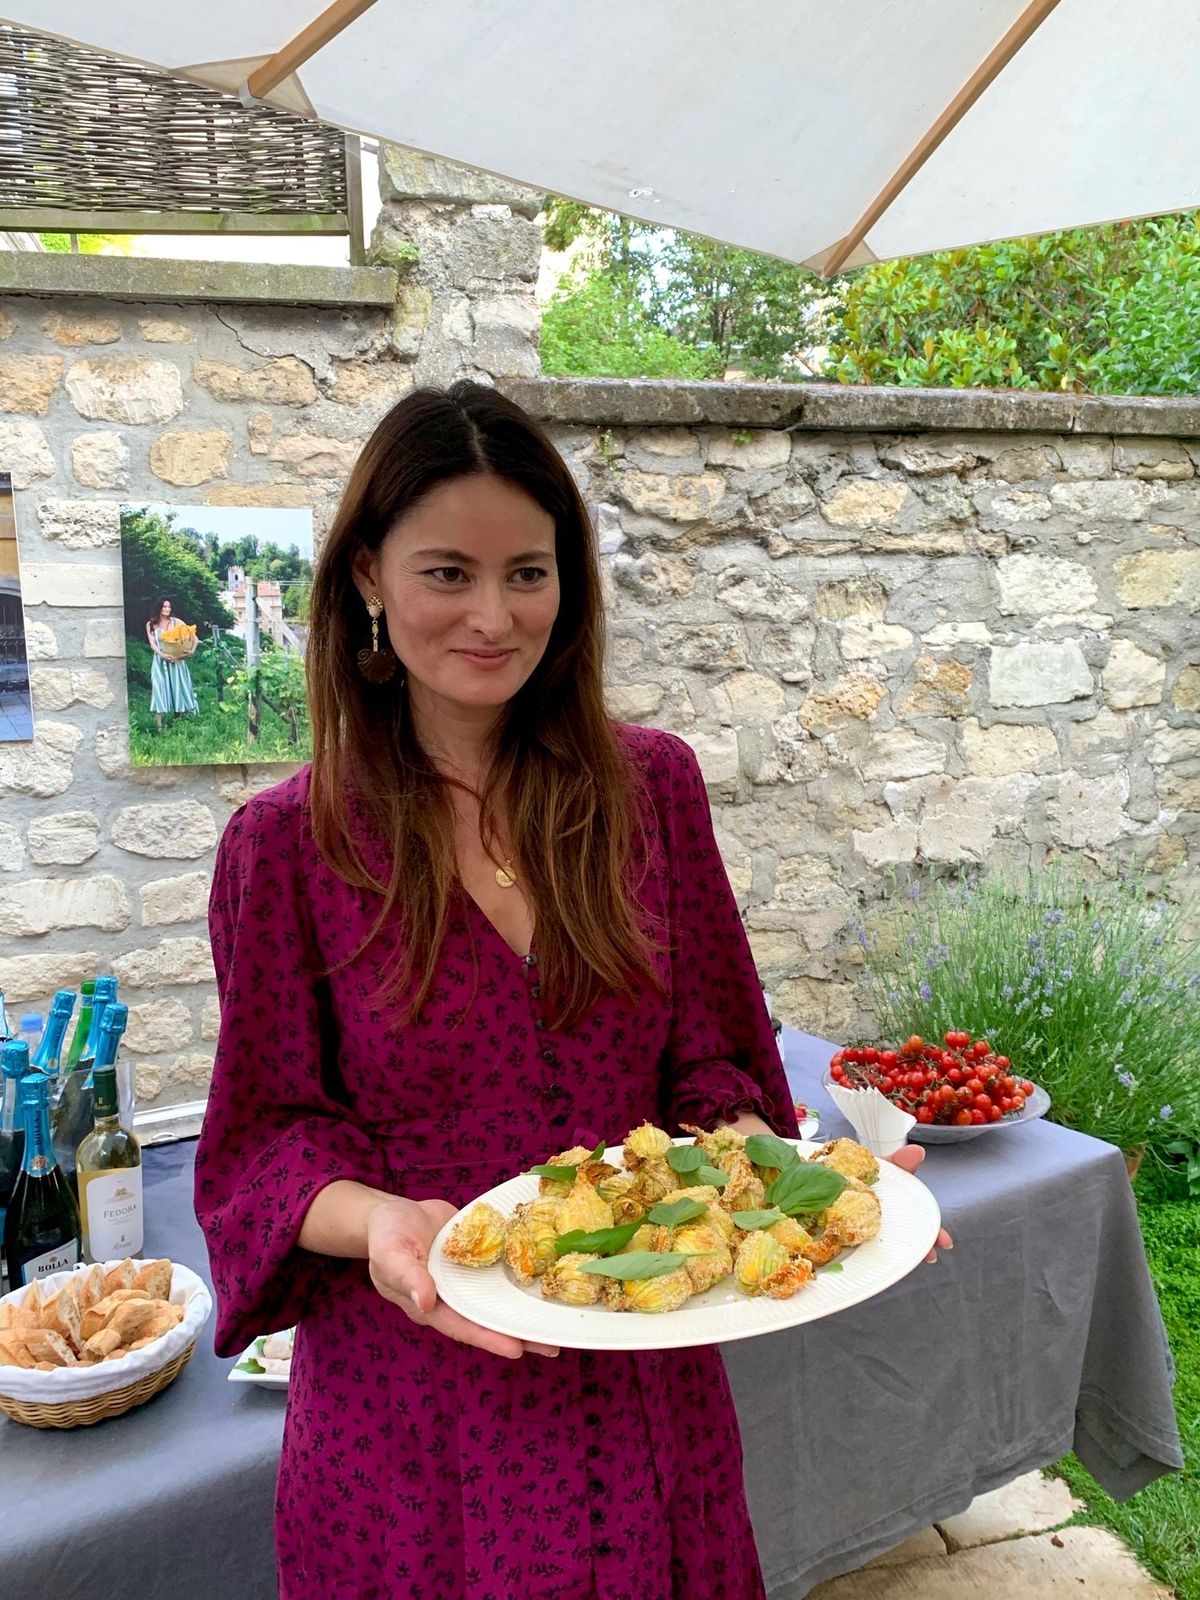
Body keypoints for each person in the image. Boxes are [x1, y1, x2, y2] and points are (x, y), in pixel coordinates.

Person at [195, 383, 947, 1600]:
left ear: (569, 582)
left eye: (528, 572)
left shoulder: (650, 790)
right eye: (448, 571)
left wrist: (791, 1182)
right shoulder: (286, 847)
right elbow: (265, 1144)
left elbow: (712, 1064)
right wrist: (383, 1220)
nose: (494, 615)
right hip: (417, 1410)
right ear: (369, 580)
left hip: (650, 1381)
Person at [145, 596, 199, 731]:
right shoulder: (151, 624)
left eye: (169, 607)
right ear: (159, 608)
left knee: (178, 688)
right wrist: (162, 655)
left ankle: (178, 722)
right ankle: (159, 726)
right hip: (159, 662)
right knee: (159, 689)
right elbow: (152, 644)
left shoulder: (176, 622)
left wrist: (191, 650)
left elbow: (194, 638)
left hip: (177, 661)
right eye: (164, 607)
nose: (167, 609)